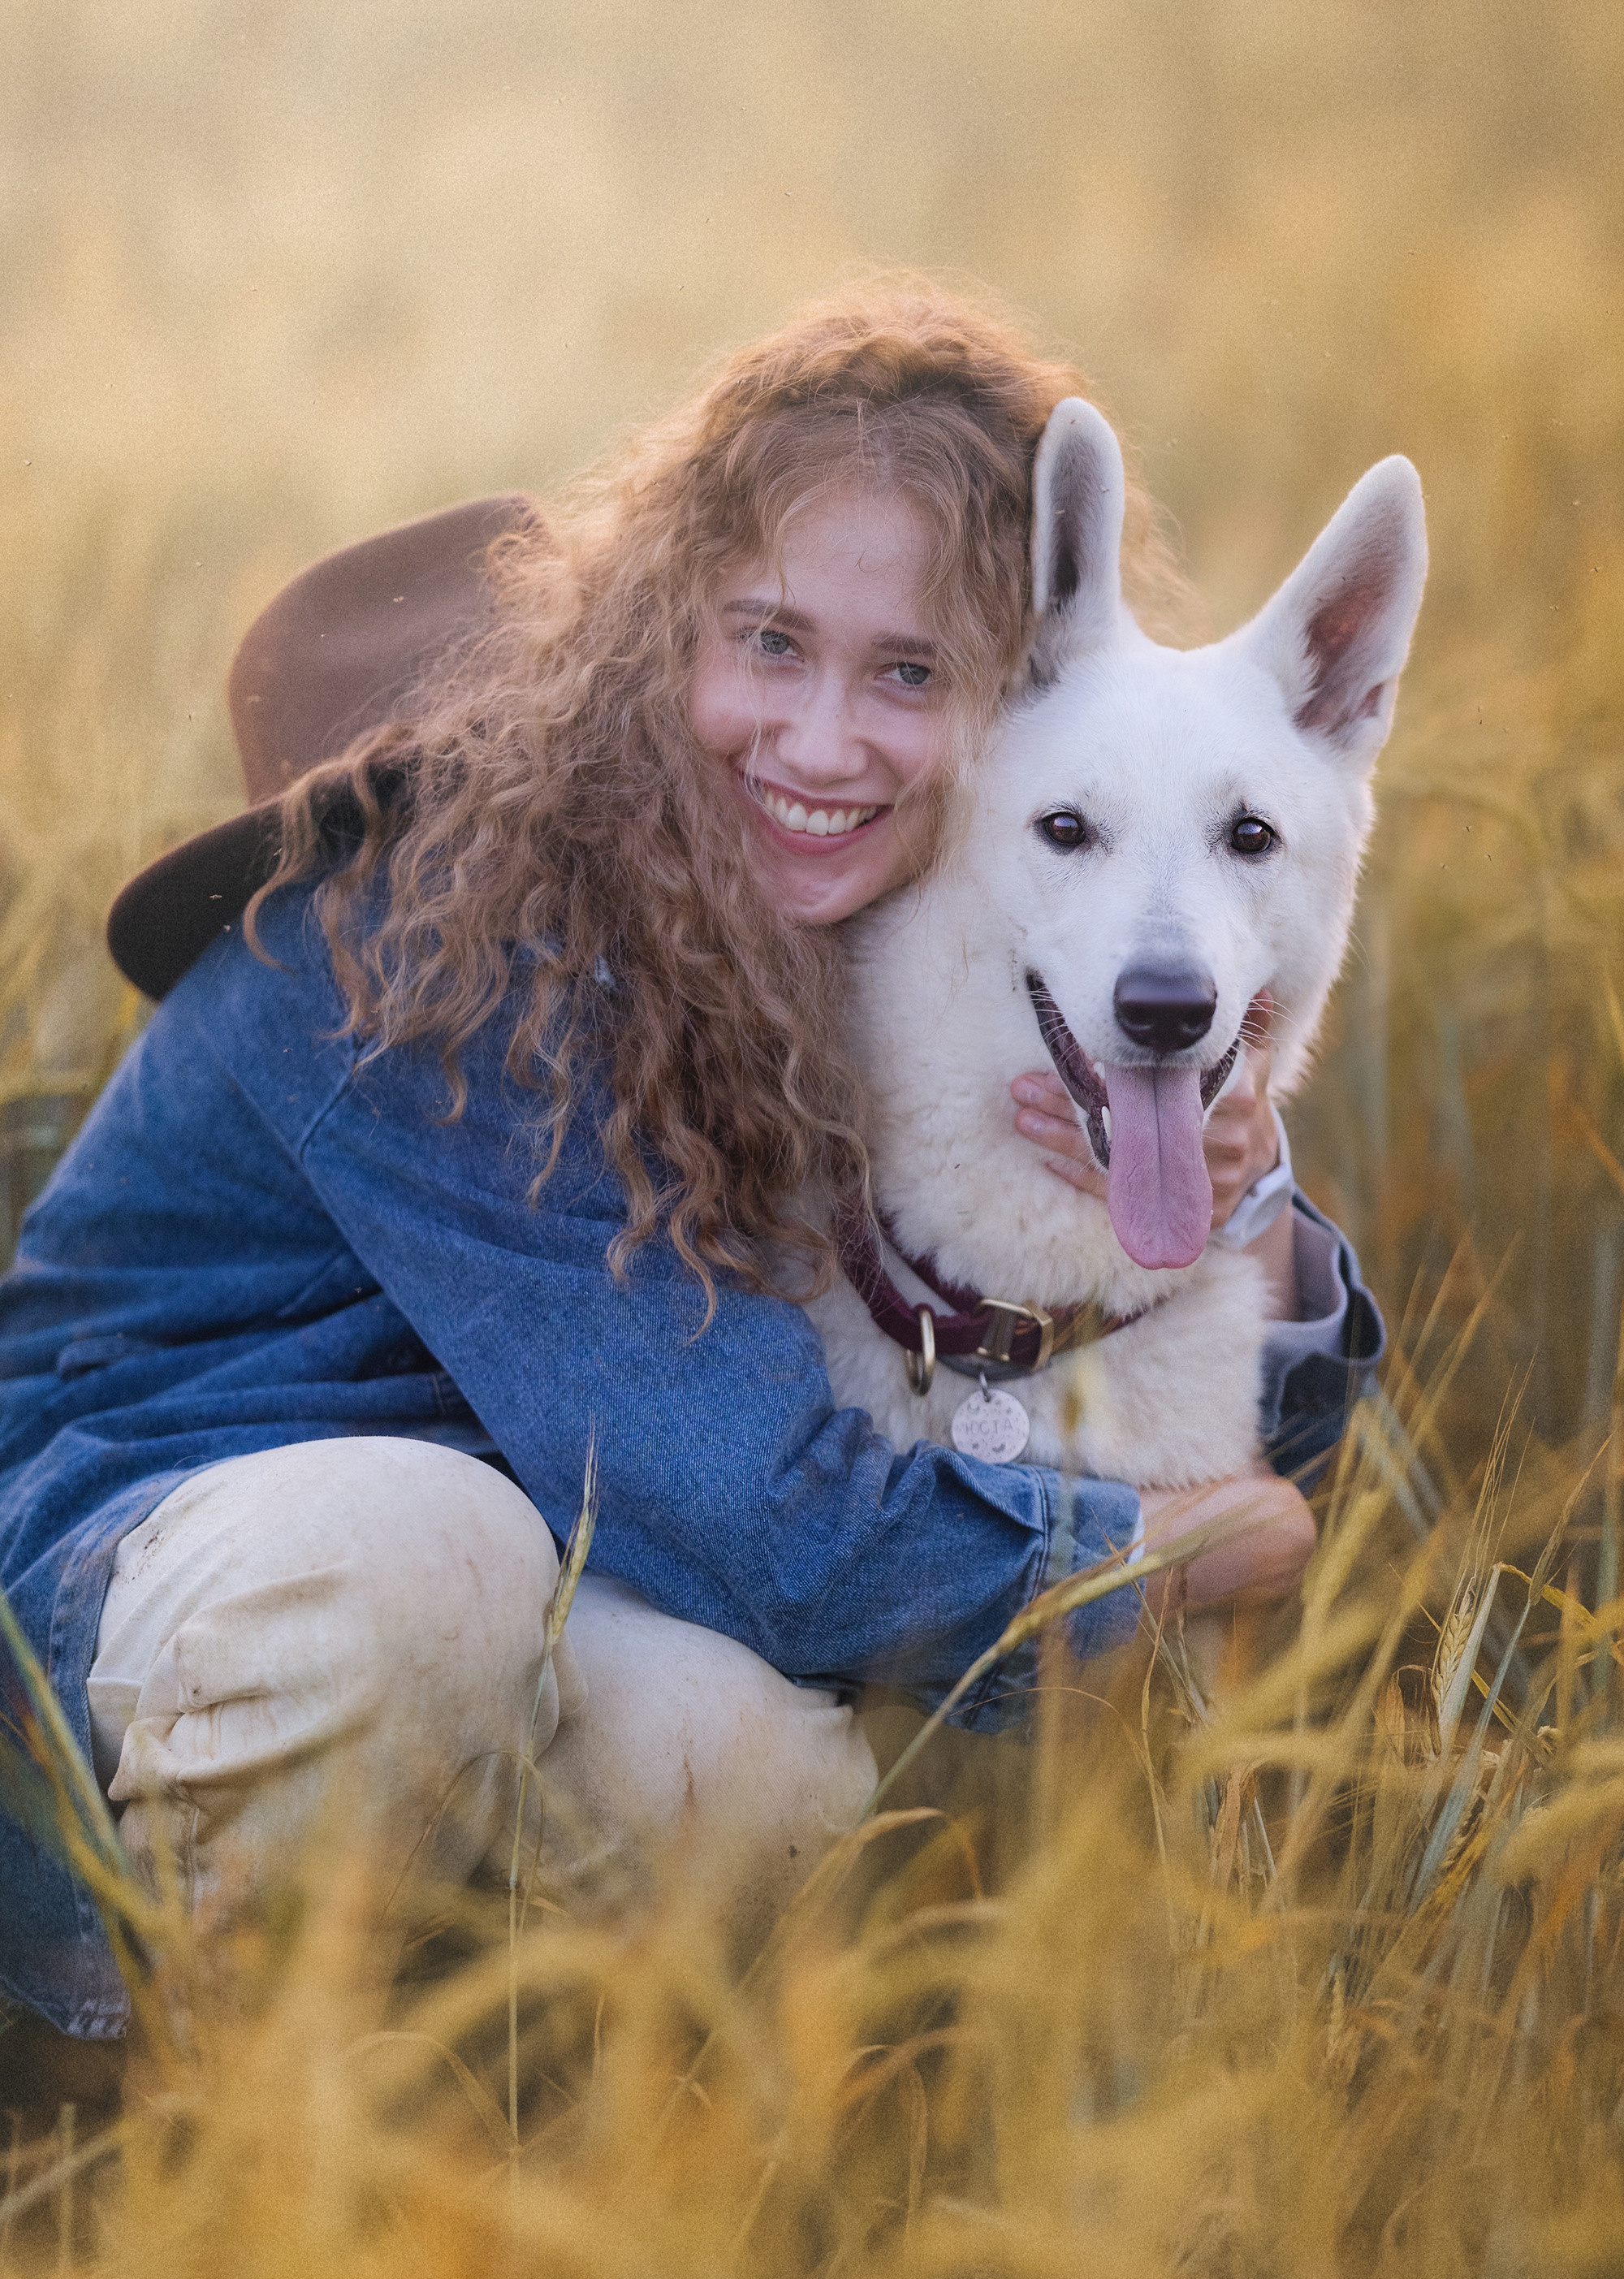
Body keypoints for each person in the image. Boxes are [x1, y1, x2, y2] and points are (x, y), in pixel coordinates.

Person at [0, 284, 1381, 2040]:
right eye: (770, 646)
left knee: (753, 1771)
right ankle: (181, 2096)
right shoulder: (408, 941)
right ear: (658, 643)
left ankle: (492, 2105)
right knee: (413, 1563)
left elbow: (1034, 1325)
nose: (821, 742)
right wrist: (1148, 1560)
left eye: (908, 673)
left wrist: (1221, 1187)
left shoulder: (831, 916)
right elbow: (761, 1513)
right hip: (141, 1562)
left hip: (536, 1559)